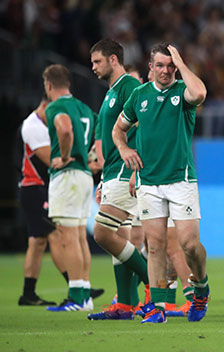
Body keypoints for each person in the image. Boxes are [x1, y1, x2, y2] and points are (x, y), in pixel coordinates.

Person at [113, 43, 210, 324]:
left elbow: (201, 92)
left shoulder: (183, 91)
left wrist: (181, 62)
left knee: (189, 245)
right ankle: (157, 308)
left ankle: (201, 286)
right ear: (150, 67)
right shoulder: (138, 95)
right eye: (160, 65)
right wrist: (124, 150)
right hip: (149, 181)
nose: (166, 70)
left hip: (181, 179)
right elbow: (119, 129)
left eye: (171, 66)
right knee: (154, 246)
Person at [85, 38, 150, 320]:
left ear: (113, 59)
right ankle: (125, 303)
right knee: (120, 240)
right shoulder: (112, 91)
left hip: (127, 170)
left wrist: (137, 171)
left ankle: (153, 281)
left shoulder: (131, 88)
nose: (93, 67)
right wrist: (102, 177)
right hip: (112, 172)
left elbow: (146, 129)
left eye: (97, 61)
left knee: (102, 233)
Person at [40, 64, 97, 312]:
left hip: (67, 176)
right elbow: (99, 133)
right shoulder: (83, 108)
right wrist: (94, 159)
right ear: (69, 84)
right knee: (80, 236)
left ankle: (76, 297)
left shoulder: (56, 107)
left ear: (48, 85)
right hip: (85, 176)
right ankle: (85, 293)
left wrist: (64, 157)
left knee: (68, 237)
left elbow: (64, 129)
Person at [16, 96, 66, 306]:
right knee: (54, 234)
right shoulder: (32, 125)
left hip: (35, 188)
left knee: (37, 242)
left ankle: (28, 294)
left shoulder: (41, 124)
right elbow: (49, 160)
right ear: (44, 105)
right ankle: (77, 286)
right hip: (34, 188)